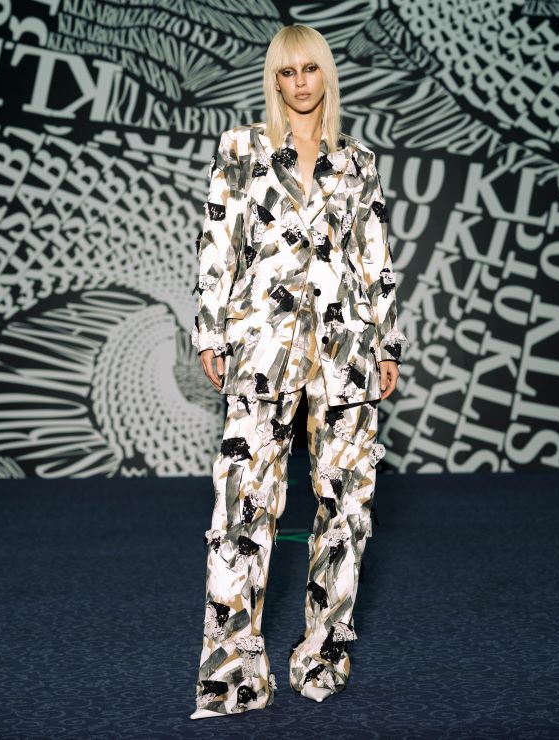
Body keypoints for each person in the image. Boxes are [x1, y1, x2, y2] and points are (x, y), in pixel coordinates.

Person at [189, 24, 408, 719]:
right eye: (286, 72)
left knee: (348, 509)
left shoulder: (358, 161)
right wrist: (210, 329)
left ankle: (323, 654)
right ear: (274, 80)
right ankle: (233, 673)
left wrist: (387, 344)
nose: (299, 82)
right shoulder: (241, 149)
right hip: (262, 345)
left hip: (346, 352)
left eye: (310, 68)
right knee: (241, 508)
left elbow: (375, 258)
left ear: (326, 74)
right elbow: (218, 244)